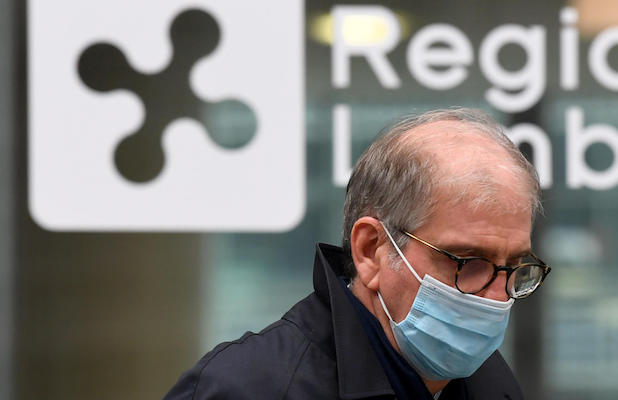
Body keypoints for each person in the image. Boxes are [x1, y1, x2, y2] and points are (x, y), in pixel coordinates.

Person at [164, 108, 551, 399]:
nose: (498, 298)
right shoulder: (245, 389)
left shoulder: (490, 384)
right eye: (468, 262)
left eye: (515, 267)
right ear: (370, 251)